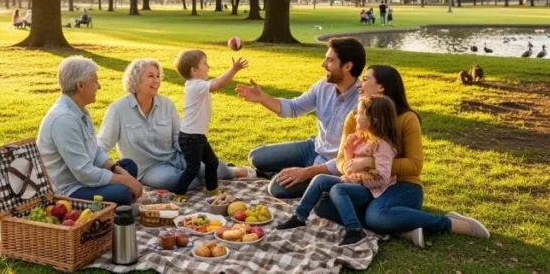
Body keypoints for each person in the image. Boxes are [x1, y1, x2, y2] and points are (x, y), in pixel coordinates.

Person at [312, 65, 489, 247]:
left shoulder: (406, 118)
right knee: (323, 204)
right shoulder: (355, 117)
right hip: (366, 184)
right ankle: (403, 227)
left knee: (375, 217)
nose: (359, 84)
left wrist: (371, 163)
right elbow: (341, 159)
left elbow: (414, 165)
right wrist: (352, 168)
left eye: (365, 79)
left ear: (381, 87)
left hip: (403, 185)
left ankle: (450, 223)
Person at [97, 58, 253, 192]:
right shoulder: (118, 109)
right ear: (136, 80)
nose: (156, 80)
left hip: (176, 157)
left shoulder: (166, 104)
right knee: (182, 181)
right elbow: (102, 144)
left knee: (213, 167)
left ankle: (232, 171)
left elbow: (179, 137)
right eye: (151, 76)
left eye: (158, 76)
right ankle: (206, 177)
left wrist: (194, 156)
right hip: (149, 169)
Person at [237, 38, 365, 198]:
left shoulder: (364, 102)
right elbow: (294, 108)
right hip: (314, 148)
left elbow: (354, 158)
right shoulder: (323, 86)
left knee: (278, 189)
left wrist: (308, 172)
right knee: (257, 157)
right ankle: (293, 171)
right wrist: (262, 98)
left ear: (347, 66)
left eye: (330, 60)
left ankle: (312, 179)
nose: (323, 64)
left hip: (337, 165)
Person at [276, 95, 400, 246]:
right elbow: (349, 166)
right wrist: (349, 149)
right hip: (355, 183)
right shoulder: (363, 139)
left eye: (360, 113)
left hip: (370, 190)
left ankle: (354, 230)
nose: (355, 115)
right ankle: (299, 217)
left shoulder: (383, 146)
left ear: (373, 120)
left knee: (337, 190)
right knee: (320, 179)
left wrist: (358, 179)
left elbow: (383, 178)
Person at [37, 56, 143, 206]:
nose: (99, 86)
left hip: (84, 179)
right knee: (122, 193)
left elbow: (95, 150)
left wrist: (117, 169)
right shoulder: (64, 119)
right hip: (69, 189)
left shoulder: (81, 111)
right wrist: (124, 180)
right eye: (95, 81)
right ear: (80, 85)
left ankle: (117, 189)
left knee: (128, 166)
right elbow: (84, 173)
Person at [172, 50, 249, 202]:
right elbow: (218, 83)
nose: (209, 66)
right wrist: (234, 69)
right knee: (193, 169)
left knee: (212, 163)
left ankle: (212, 189)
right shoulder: (195, 86)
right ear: (194, 71)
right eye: (205, 63)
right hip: (191, 137)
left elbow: (215, 80)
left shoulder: (197, 84)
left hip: (197, 136)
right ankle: (178, 194)